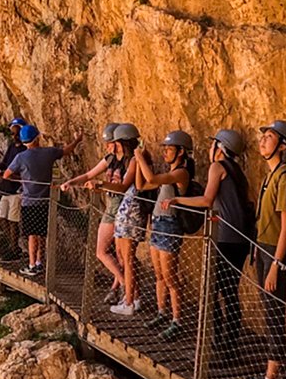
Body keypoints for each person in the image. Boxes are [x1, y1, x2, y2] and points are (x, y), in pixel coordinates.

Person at [161, 129, 251, 347]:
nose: (210, 150)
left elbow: (207, 200)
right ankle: (228, 343)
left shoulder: (217, 167)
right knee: (230, 292)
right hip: (241, 239)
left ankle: (217, 342)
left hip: (225, 238)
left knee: (211, 291)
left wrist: (177, 201)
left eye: (213, 145)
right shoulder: (239, 172)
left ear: (220, 148)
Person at [238, 120, 286, 379]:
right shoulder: (270, 176)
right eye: (263, 135)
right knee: (268, 312)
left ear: (284, 146)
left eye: (270, 136)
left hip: (276, 253)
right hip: (264, 249)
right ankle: (270, 371)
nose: (263, 140)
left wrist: (276, 264)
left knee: (274, 315)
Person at [61, 124, 129, 302]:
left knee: (104, 252)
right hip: (112, 207)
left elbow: (123, 187)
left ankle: (125, 288)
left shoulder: (130, 161)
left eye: (109, 142)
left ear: (118, 142)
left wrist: (100, 185)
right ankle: (121, 287)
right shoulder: (110, 159)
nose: (106, 146)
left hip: (123, 208)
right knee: (113, 254)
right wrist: (71, 182)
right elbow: (89, 174)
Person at [136, 130, 194, 341]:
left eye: (169, 149)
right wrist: (138, 162)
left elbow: (150, 177)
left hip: (170, 226)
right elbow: (141, 184)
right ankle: (162, 313)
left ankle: (177, 320)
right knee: (159, 274)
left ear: (181, 152)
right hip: (159, 224)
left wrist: (140, 158)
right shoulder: (169, 174)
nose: (165, 153)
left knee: (170, 277)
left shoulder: (181, 173)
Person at [4, 124, 81, 277]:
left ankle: (32, 265)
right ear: (37, 138)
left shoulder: (20, 158)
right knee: (42, 233)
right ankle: (40, 262)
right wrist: (77, 140)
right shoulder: (49, 153)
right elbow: (66, 150)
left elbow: (6, 175)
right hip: (46, 200)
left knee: (32, 235)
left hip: (29, 201)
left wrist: (21, 179)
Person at [106, 124, 152, 317]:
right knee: (125, 257)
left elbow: (126, 186)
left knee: (128, 259)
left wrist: (102, 184)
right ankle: (133, 298)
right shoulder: (137, 158)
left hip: (131, 211)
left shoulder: (134, 160)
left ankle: (129, 301)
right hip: (130, 210)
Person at [0, 117, 29, 259]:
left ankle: (14, 249)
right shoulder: (12, 147)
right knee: (2, 217)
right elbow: (5, 162)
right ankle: (12, 245)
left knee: (13, 220)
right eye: (12, 133)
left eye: (16, 132)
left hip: (16, 189)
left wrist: (5, 173)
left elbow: (22, 170)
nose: (14, 136)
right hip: (6, 188)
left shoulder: (25, 150)